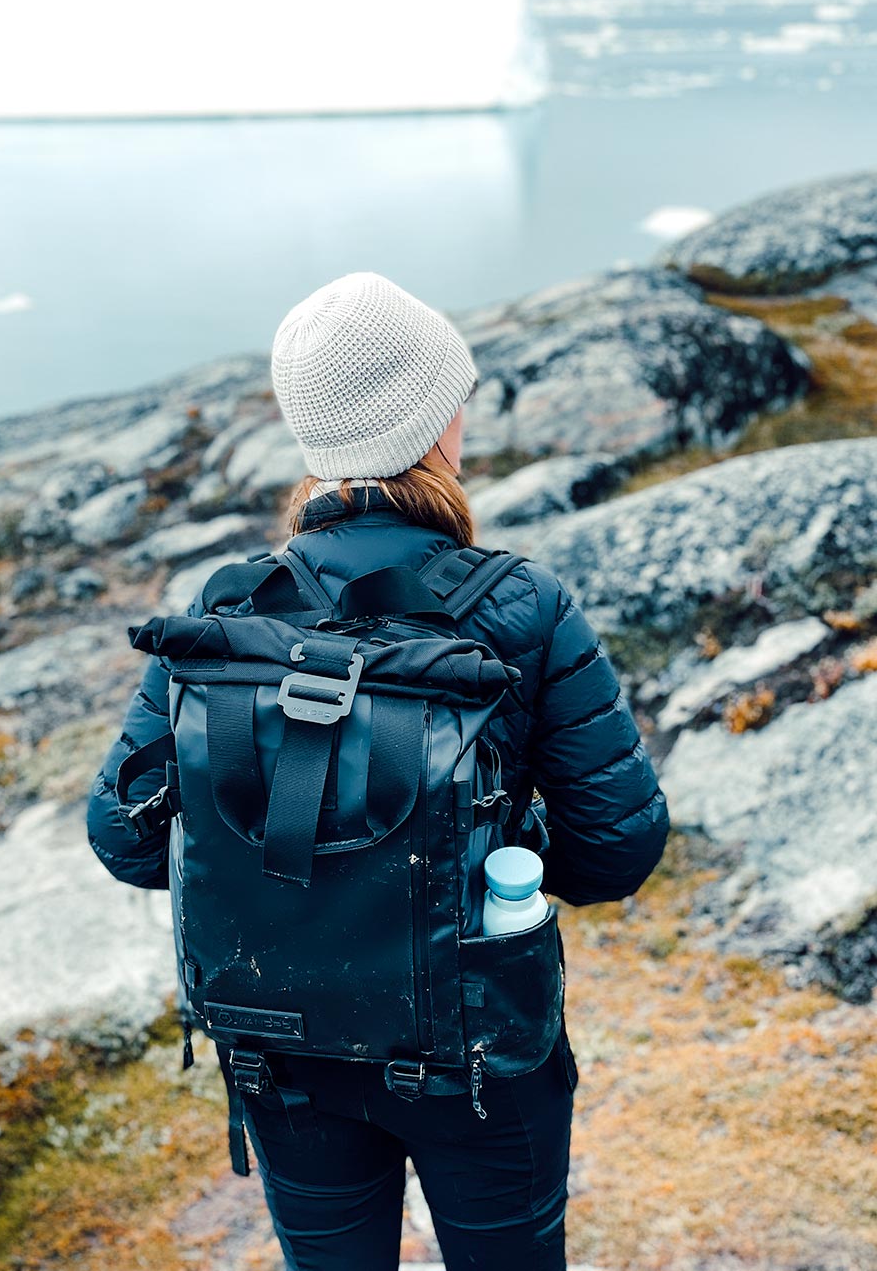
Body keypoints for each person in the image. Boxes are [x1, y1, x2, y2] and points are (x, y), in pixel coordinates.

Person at [87, 271, 670, 1271]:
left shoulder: (229, 607)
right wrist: (494, 856)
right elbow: (616, 848)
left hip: (278, 1046)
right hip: (478, 1049)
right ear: (436, 423)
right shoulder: (519, 604)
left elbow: (123, 836)